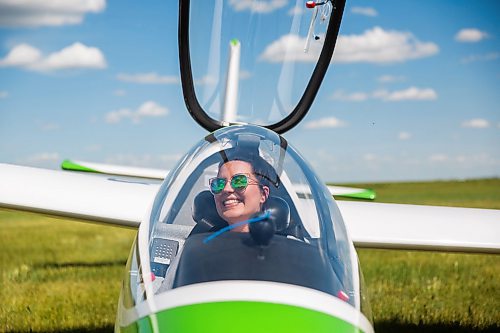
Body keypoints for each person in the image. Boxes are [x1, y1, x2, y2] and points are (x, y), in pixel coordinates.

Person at [209, 154, 278, 232]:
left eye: (239, 182)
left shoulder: (284, 244)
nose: (226, 189)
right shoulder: (200, 242)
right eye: (219, 184)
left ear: (263, 194)